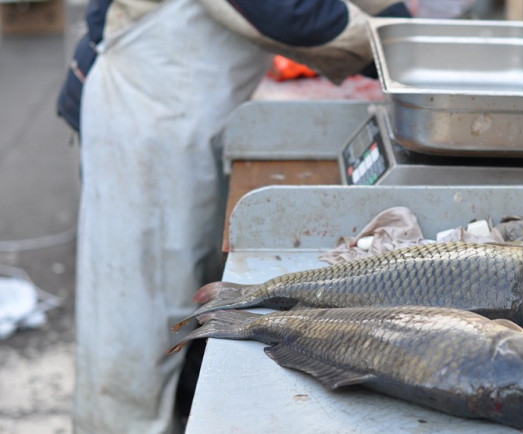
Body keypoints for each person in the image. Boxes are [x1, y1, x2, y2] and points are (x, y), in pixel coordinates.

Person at [56, 1, 411, 432]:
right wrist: (404, 49)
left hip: (185, 113)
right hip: (143, 115)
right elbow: (286, 12)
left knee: (182, 300)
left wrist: (393, 18)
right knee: (134, 326)